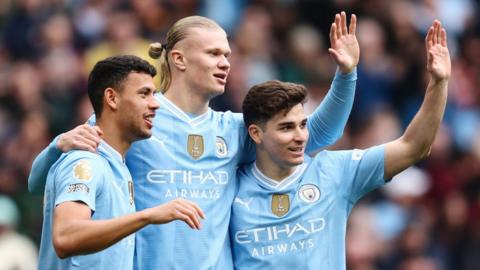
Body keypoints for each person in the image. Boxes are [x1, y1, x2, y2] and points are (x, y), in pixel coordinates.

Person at [29, 12, 359, 269]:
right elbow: (41, 183)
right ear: (179, 59)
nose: (225, 62)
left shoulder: (235, 130)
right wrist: (56, 147)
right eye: (214, 53)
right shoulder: (138, 120)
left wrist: (346, 75)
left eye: (227, 55)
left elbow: (314, 135)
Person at [229, 20, 450, 269]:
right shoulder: (227, 187)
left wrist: (439, 83)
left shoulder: (334, 171)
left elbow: (414, 146)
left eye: (302, 124)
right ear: (256, 134)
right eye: (286, 128)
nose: (301, 136)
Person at [37, 55, 204, 270]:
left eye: (153, 94)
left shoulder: (119, 166)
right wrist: (148, 216)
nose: (155, 104)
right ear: (112, 98)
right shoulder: (86, 162)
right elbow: (65, 237)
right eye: (144, 94)